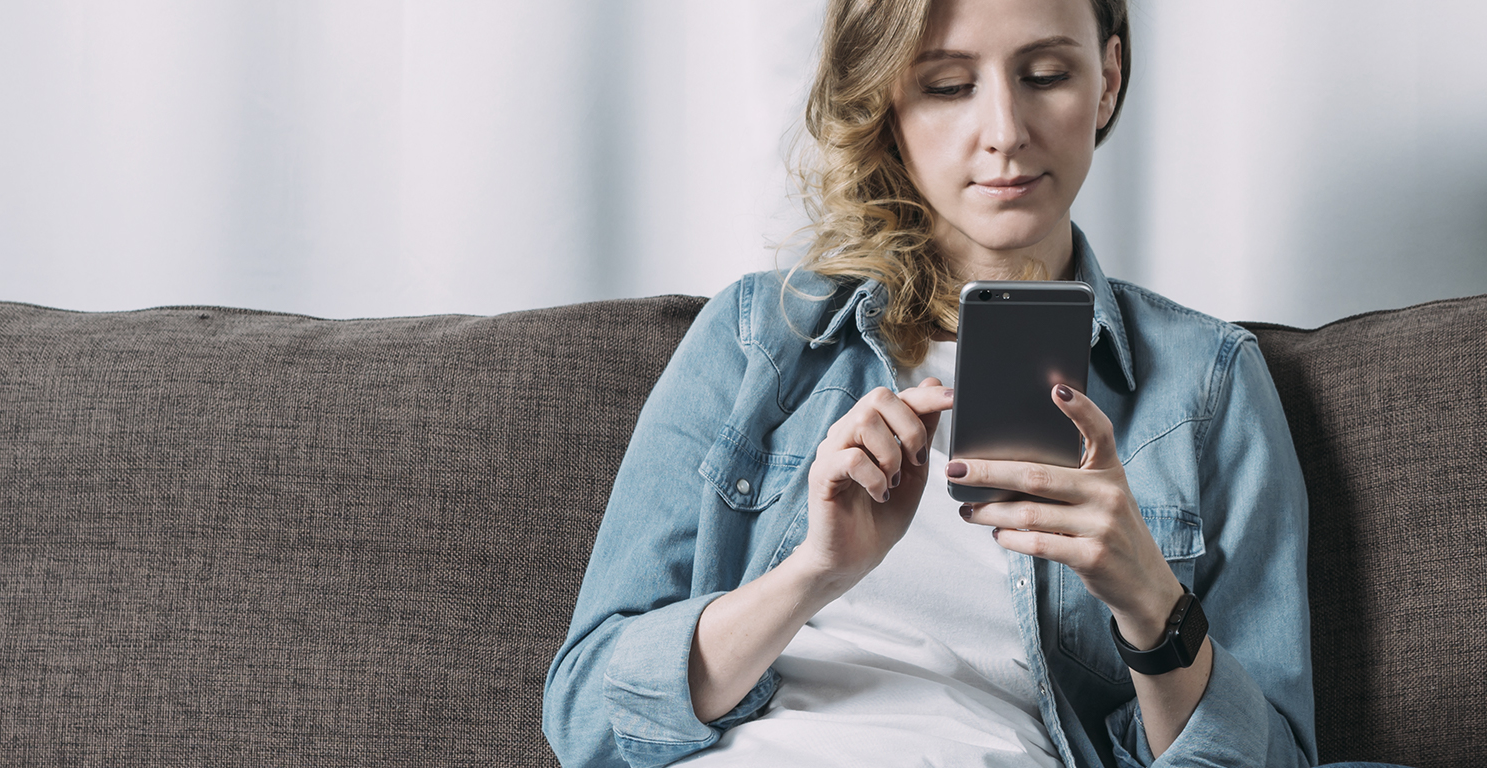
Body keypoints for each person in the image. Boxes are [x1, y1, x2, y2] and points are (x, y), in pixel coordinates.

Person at [543, 1, 1407, 766]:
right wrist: (814, 571)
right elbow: (586, 716)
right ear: (888, 101)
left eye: (1045, 75)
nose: (1004, 131)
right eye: (948, 86)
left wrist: (1152, 604)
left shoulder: (1205, 383)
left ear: (1108, 79)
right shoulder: (756, 337)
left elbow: (1271, 758)